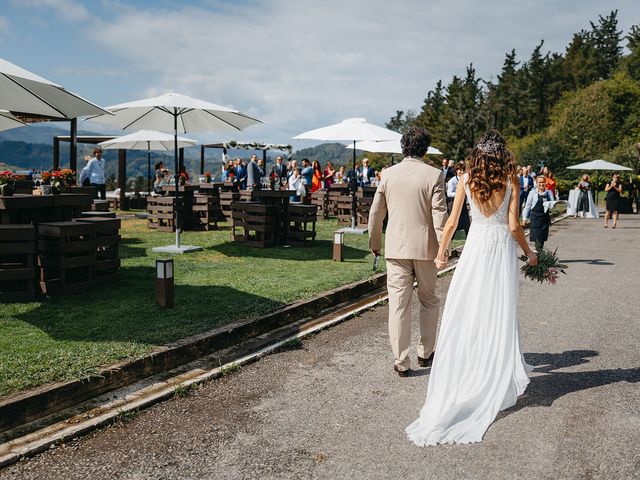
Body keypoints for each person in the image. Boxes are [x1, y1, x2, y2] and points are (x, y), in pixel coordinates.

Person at [406, 129, 537, 446]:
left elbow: (451, 223)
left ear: (477, 155)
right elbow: (515, 226)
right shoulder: (511, 180)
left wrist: (441, 251)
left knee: (468, 310)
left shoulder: (465, 179)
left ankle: (468, 369)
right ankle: (491, 371)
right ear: (503, 154)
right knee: (496, 311)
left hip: (476, 249)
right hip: (499, 251)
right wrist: (530, 254)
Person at [368, 126, 448, 378]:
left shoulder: (388, 174)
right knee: (429, 299)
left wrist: (375, 243)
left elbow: (375, 213)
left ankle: (401, 361)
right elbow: (439, 215)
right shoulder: (434, 174)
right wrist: (443, 248)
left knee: (399, 305)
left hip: (396, 247)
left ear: (403, 147)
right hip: (426, 248)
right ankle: (426, 352)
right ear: (424, 149)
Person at [522, 175, 554, 248]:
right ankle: (537, 254)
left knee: (542, 238)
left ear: (545, 183)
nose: (541, 184)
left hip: (544, 218)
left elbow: (552, 205)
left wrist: (552, 203)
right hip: (535, 218)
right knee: (537, 238)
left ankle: (538, 254)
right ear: (536, 183)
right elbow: (527, 206)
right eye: (539, 182)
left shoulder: (549, 193)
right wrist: (524, 219)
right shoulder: (532, 193)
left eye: (543, 182)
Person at [446, 161, 470, 236]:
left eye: (463, 170)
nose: (461, 171)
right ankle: (449, 243)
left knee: (467, 225)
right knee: (453, 224)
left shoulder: (466, 179)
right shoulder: (452, 180)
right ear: (456, 170)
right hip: (454, 204)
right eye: (459, 170)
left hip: (463, 205)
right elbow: (449, 193)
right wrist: (459, 194)